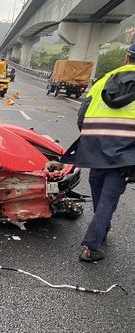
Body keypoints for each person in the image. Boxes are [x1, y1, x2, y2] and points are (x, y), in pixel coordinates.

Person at [62, 45, 135, 262]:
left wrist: (93, 141)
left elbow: (82, 115)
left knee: (98, 187)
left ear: (126, 58)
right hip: (125, 151)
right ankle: (90, 246)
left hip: (96, 147)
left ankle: (102, 226)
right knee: (108, 198)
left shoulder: (103, 81)